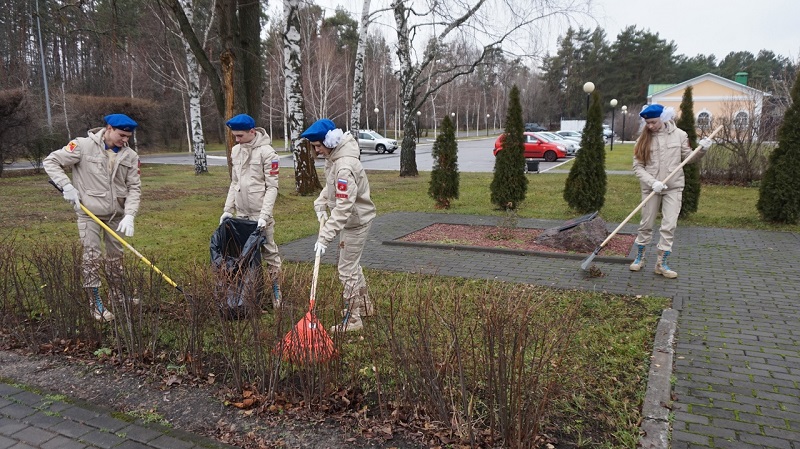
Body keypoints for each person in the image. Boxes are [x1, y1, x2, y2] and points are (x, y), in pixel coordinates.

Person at [44, 113, 141, 322]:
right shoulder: (82, 146)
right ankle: (95, 302)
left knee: (116, 257)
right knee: (92, 257)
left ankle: (118, 295)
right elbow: (51, 161)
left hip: (116, 215)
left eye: (128, 136)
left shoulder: (130, 156)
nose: (125, 140)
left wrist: (130, 215)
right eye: (122, 135)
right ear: (109, 129)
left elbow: (134, 187)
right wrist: (66, 185)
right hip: (89, 213)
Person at [301, 119, 376, 332]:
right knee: (351, 265)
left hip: (356, 222)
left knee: (346, 269)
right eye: (314, 146)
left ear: (331, 141)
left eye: (318, 146)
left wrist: (324, 237)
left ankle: (353, 320)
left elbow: (344, 207)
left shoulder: (344, 166)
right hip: (352, 220)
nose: (317, 150)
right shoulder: (335, 159)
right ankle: (364, 306)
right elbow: (330, 187)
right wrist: (320, 202)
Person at [629, 104, 712, 278]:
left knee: (669, 225)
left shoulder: (680, 135)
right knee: (646, 224)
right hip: (651, 188)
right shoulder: (642, 139)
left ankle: (661, 264)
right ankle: (639, 258)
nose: (650, 126)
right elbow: (638, 167)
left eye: (653, 122)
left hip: (673, 187)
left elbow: (689, 158)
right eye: (647, 123)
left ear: (664, 118)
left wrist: (702, 150)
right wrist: (653, 182)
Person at [219, 114, 283, 308]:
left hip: (260, 213)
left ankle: (276, 291)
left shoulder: (268, 153)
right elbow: (235, 183)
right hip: (242, 213)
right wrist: (228, 209)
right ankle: (249, 293)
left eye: (240, 136)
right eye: (235, 136)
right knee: (244, 255)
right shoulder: (236, 151)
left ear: (252, 132)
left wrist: (264, 215)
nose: (237, 140)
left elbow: (272, 187)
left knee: (269, 252)